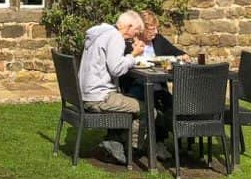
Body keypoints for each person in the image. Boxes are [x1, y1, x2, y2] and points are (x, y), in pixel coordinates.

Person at [79, 10, 145, 165]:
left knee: (126, 100)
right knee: (146, 109)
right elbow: (116, 69)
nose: (135, 36)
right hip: (99, 97)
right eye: (136, 32)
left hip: (87, 94)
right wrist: (133, 55)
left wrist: (129, 52)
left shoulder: (101, 33)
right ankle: (132, 149)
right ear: (129, 27)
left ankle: (114, 143)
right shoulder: (115, 37)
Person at [120, 10, 187, 156]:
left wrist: (182, 56)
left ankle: (159, 142)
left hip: (157, 84)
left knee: (168, 101)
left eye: (157, 29)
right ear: (142, 29)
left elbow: (177, 53)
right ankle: (141, 143)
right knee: (155, 99)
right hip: (135, 85)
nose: (155, 32)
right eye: (152, 29)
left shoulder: (158, 41)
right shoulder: (129, 43)